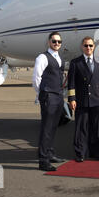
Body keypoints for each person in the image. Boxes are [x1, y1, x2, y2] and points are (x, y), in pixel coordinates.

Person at [67, 37, 99, 162]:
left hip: (97, 100)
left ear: (94, 47)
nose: (88, 48)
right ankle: (80, 153)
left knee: (96, 128)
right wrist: (72, 99)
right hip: (82, 100)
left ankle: (96, 152)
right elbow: (71, 83)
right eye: (86, 46)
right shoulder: (75, 62)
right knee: (81, 128)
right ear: (82, 46)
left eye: (91, 46)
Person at [32, 31, 66, 171]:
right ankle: (43, 160)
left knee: (53, 127)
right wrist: (42, 94)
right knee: (46, 128)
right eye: (54, 41)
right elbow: (36, 78)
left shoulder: (60, 58)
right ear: (49, 42)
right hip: (48, 96)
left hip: (58, 96)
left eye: (59, 42)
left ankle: (50, 153)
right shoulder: (42, 57)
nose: (56, 43)